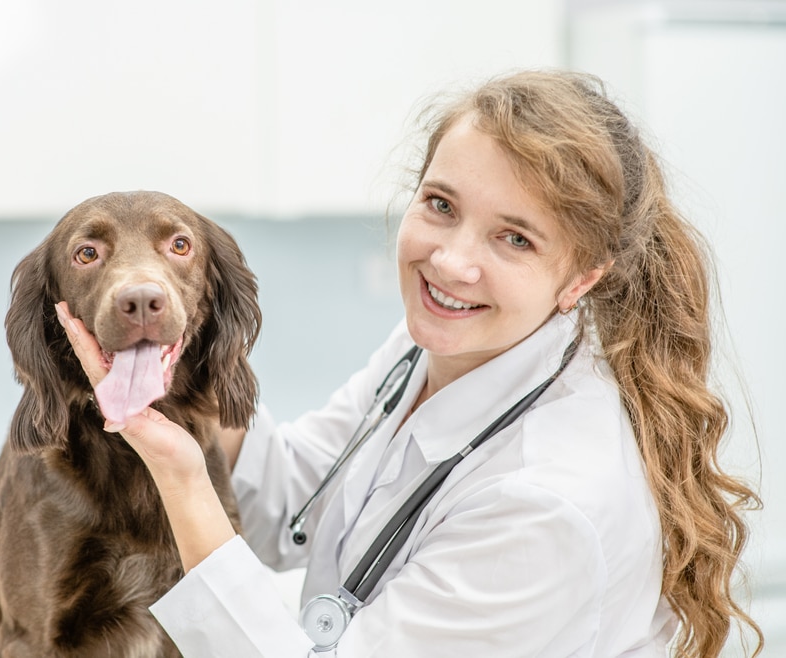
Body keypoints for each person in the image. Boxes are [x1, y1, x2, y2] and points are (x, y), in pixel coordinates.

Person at [56, 70, 762, 656]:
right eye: (440, 204)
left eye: (513, 238)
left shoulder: (549, 503)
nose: (451, 262)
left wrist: (179, 476)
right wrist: (185, 379)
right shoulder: (440, 346)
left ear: (582, 277)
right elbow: (293, 505)